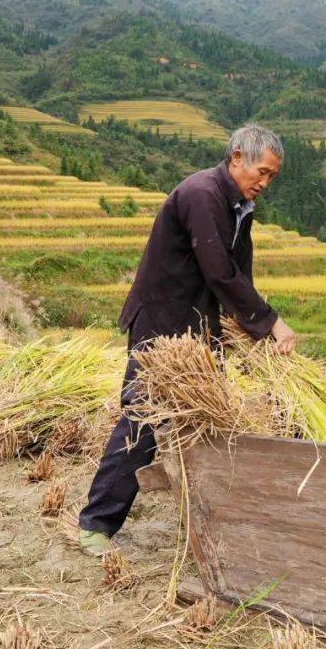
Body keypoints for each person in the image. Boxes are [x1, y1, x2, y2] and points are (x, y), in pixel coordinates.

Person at [77, 124, 297, 555]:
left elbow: (239, 272)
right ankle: (96, 525)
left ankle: (204, 514)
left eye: (273, 176)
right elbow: (219, 272)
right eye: (262, 172)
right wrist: (269, 322)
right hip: (162, 327)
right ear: (237, 158)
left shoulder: (237, 204)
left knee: (204, 418)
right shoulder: (202, 194)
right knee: (142, 419)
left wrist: (244, 330)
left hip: (196, 328)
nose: (265, 183)